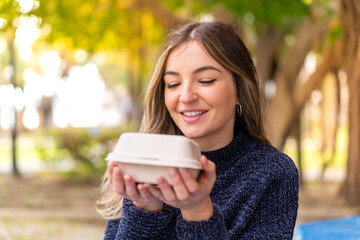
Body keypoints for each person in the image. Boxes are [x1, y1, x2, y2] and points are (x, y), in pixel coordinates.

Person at [97, 21, 299, 240]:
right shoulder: (142, 163)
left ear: (240, 90)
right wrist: (145, 208)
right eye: (173, 84)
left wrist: (198, 212)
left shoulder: (273, 172)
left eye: (206, 80)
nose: (186, 96)